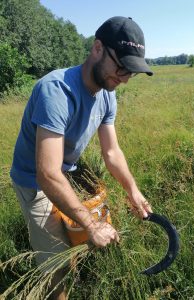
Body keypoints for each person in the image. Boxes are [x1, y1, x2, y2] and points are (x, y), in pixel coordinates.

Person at [10, 16, 153, 300]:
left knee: (75, 238)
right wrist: (91, 225)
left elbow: (111, 152)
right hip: (34, 181)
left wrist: (133, 191)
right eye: (121, 67)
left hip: (67, 174)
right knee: (55, 264)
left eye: (131, 73)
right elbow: (47, 174)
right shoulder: (57, 91)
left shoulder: (107, 94)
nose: (124, 79)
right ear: (97, 48)